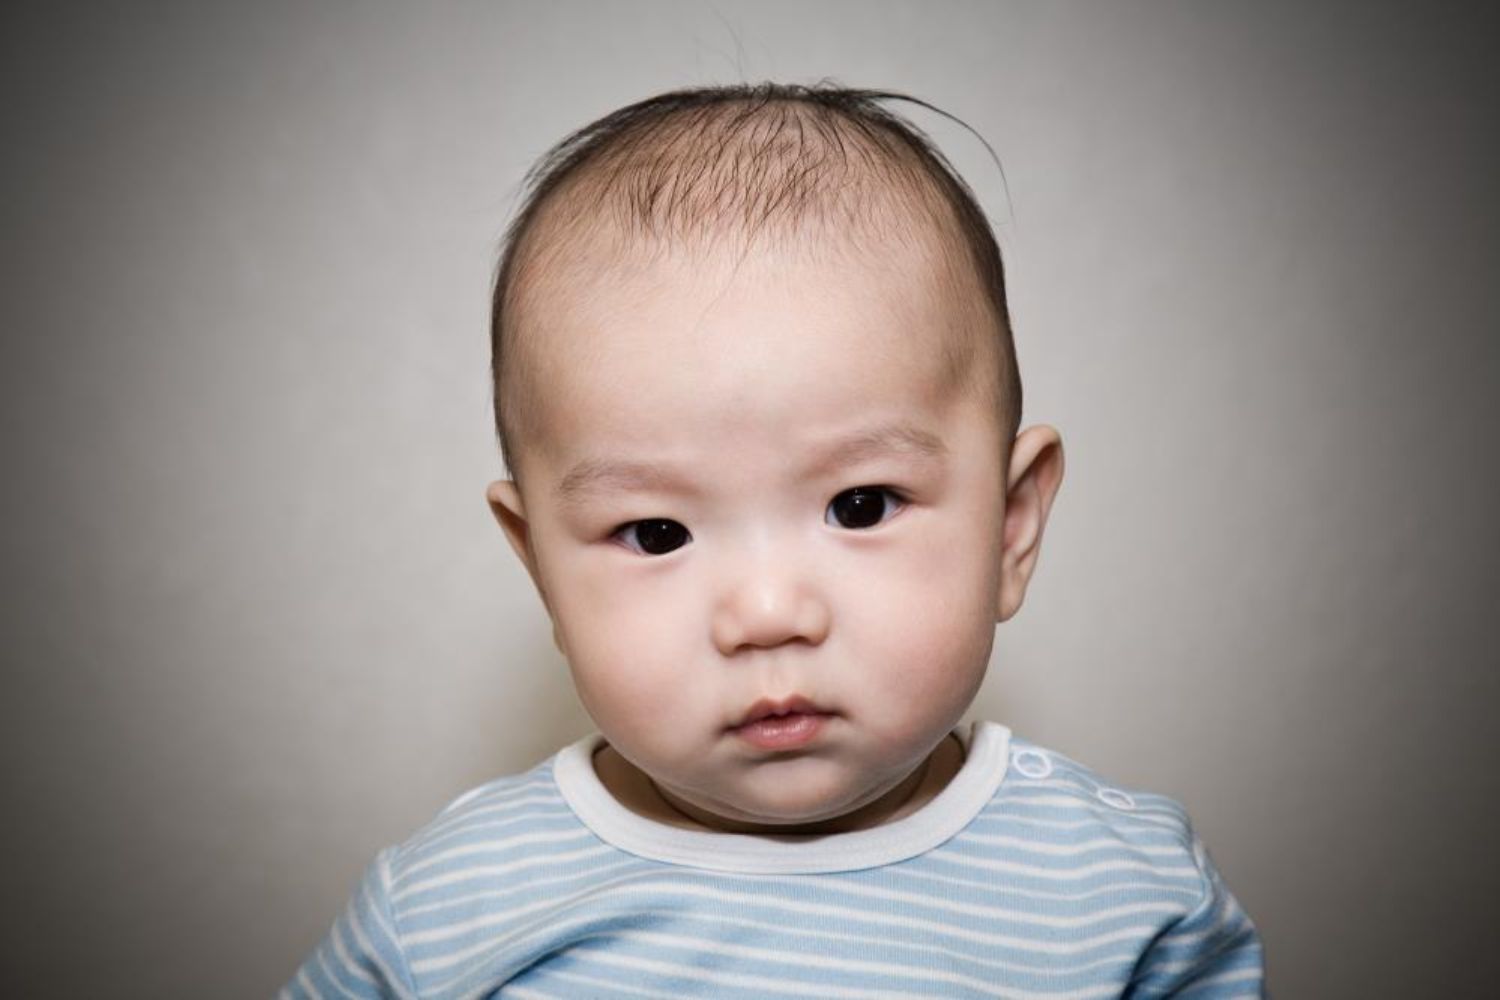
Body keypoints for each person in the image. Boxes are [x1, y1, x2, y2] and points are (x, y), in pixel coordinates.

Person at [281, 82, 1264, 998]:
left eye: (862, 505)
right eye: (657, 531)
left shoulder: (1124, 895)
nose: (766, 613)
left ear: (1010, 527)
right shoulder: (452, 904)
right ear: (541, 568)